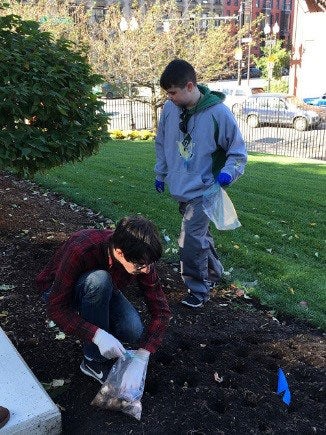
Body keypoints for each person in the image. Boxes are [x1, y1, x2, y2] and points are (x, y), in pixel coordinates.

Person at [36, 215, 171, 388]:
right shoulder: (81, 249)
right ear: (119, 253)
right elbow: (56, 308)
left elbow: (161, 310)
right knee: (100, 280)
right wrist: (97, 336)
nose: (146, 270)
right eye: (140, 265)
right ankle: (93, 361)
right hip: (58, 291)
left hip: (102, 289)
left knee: (133, 329)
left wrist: (143, 355)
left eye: (149, 265)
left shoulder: (141, 256)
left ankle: (99, 329)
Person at [154, 59, 247, 308]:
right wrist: (160, 173)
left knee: (189, 240)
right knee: (200, 236)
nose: (170, 97)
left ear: (190, 86)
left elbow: (237, 152)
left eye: (173, 92)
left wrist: (229, 173)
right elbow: (162, 142)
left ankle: (197, 290)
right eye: (167, 93)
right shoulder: (169, 109)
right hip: (181, 187)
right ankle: (214, 273)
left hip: (204, 190)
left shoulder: (218, 113)